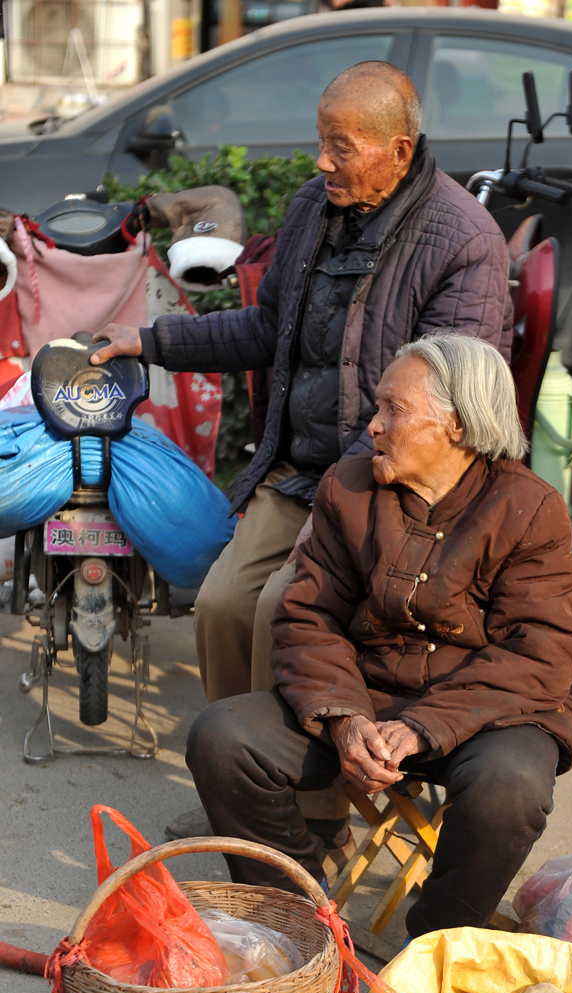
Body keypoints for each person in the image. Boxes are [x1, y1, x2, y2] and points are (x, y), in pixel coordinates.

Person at [92, 60, 512, 847]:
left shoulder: (463, 242)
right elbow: (264, 329)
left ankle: (310, 816)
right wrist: (146, 342)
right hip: (301, 474)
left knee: (278, 609)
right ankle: (241, 784)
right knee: (218, 604)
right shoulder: (313, 210)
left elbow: (442, 410)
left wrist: (349, 486)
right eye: (321, 142)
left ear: (399, 147)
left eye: (341, 146)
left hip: (393, 488)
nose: (323, 162)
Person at [185, 334, 572, 938]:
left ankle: (434, 940)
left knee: (512, 787)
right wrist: (345, 719)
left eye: (393, 409)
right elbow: (307, 616)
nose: (374, 426)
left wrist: (426, 726)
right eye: (378, 408)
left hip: (485, 713)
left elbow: (541, 653)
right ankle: (297, 916)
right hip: (365, 700)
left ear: (456, 424)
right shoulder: (349, 488)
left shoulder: (529, 507)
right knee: (222, 737)